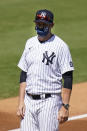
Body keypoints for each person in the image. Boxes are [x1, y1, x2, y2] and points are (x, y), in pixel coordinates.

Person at [17, 9, 74, 131]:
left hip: (49, 102)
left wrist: (65, 106)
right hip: (28, 102)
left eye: (44, 24)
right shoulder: (30, 43)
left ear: (52, 25)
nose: (41, 27)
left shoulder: (61, 46)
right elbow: (23, 73)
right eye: (38, 24)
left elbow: (68, 77)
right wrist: (21, 102)